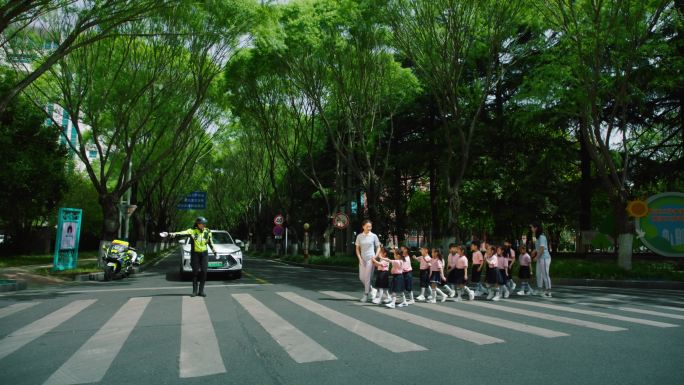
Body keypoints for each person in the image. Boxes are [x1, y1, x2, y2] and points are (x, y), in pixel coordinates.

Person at [166, 217, 217, 297]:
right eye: (202, 224)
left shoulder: (208, 231)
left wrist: (215, 252)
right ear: (198, 224)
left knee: (204, 272)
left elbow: (210, 242)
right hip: (195, 254)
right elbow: (181, 233)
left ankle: (201, 291)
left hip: (204, 254)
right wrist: (171, 234)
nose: (204, 225)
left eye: (204, 223)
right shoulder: (192, 231)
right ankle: (194, 291)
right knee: (195, 272)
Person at [355, 220, 381, 302]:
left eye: (370, 226)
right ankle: (372, 290)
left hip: (371, 259)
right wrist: (359, 258)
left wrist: (375, 257)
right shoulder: (359, 236)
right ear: (363, 227)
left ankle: (366, 295)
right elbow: (357, 249)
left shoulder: (374, 236)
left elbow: (378, 247)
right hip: (362, 259)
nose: (369, 228)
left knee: (367, 278)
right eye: (367, 226)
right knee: (361, 278)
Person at [531, 223, 552, 298]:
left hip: (545, 258)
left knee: (545, 275)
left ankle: (548, 292)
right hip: (540, 258)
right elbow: (538, 247)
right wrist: (534, 251)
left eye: (532, 227)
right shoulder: (537, 237)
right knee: (538, 274)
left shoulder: (542, 236)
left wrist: (536, 257)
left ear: (536, 228)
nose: (531, 229)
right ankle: (540, 289)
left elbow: (542, 249)